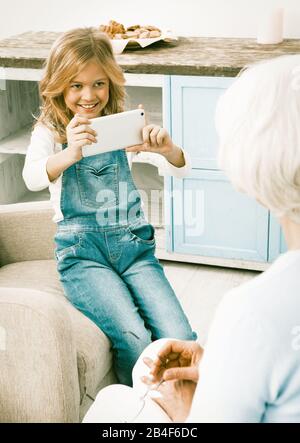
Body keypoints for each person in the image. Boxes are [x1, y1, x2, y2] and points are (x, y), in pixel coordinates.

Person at [83, 54, 300, 423]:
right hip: (89, 250)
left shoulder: (254, 314)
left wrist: (188, 410)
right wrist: (223, 368)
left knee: (111, 402)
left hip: (132, 245)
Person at [22, 27, 197, 387]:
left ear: (111, 83)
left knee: (181, 335)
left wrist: (166, 149)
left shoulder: (121, 124)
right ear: (59, 86)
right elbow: (32, 177)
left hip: (133, 249)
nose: (89, 95)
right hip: (83, 256)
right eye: (76, 85)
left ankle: (183, 401)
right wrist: (68, 153)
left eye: (99, 84)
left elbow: (181, 168)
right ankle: (138, 408)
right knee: (133, 338)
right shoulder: (50, 132)